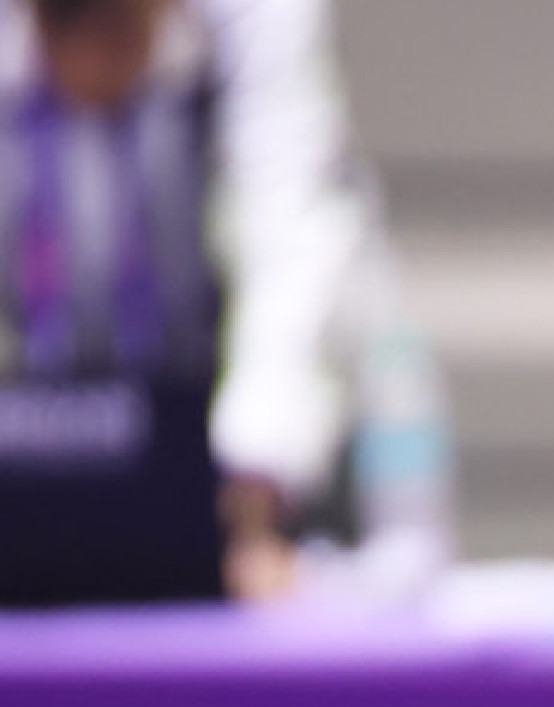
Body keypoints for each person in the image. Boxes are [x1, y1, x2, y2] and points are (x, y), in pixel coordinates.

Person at [1, 0, 404, 599]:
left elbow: (289, 237)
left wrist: (259, 487)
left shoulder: (257, 24)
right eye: (64, 28)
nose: (91, 66)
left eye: (115, 31)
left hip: (229, 468)